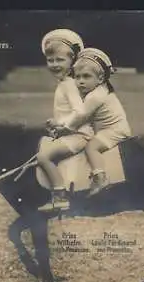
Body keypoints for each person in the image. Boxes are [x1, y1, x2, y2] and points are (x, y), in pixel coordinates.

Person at [35, 29, 110, 212]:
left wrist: (62, 125)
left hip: (79, 135)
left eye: (60, 60)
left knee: (43, 157)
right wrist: (57, 121)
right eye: (50, 60)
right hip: (72, 133)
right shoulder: (65, 83)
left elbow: (79, 111)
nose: (54, 64)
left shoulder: (69, 85)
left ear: (73, 61)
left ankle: (59, 195)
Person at [53, 48, 132, 197]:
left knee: (91, 148)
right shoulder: (97, 90)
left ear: (101, 78)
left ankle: (100, 178)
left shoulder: (94, 97)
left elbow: (79, 117)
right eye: (77, 77)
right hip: (107, 129)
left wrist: (63, 129)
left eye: (86, 76)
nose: (81, 81)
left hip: (114, 130)